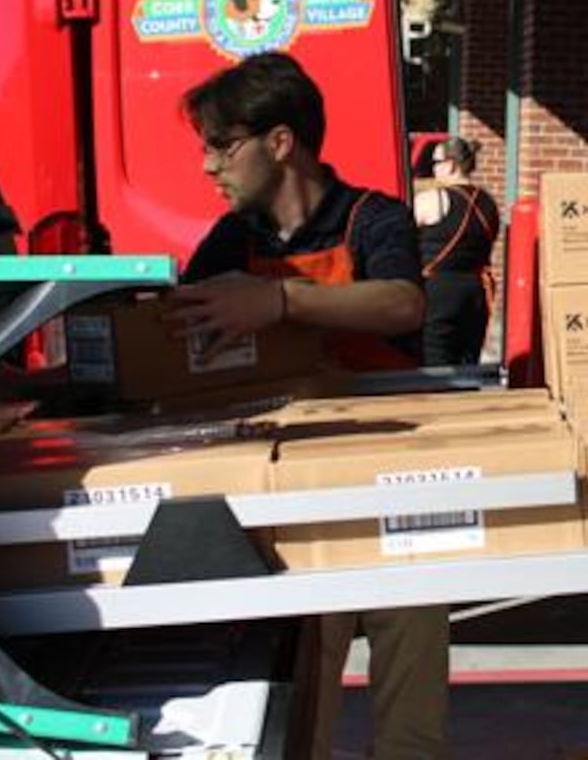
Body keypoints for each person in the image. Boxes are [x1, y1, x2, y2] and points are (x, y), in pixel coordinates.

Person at [168, 53, 448, 760]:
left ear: (281, 141)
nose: (207, 165)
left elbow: (401, 301)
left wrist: (280, 299)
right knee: (301, 672)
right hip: (293, 489)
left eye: (221, 144)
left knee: (410, 658)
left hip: (396, 481)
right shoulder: (234, 240)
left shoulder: (373, 217)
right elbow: (176, 323)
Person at [414, 136, 500, 366]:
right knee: (468, 365)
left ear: (451, 165)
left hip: (438, 293)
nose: (432, 169)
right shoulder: (489, 203)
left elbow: (401, 237)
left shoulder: (432, 199)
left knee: (435, 364)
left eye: (435, 163)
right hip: (477, 293)